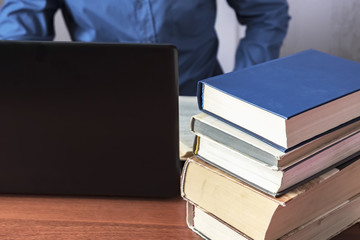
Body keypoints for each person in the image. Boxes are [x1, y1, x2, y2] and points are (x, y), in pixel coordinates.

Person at [0, 0, 290, 96]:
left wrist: (243, 94)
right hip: (98, 111)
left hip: (199, 107)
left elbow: (267, 12)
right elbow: (16, 42)